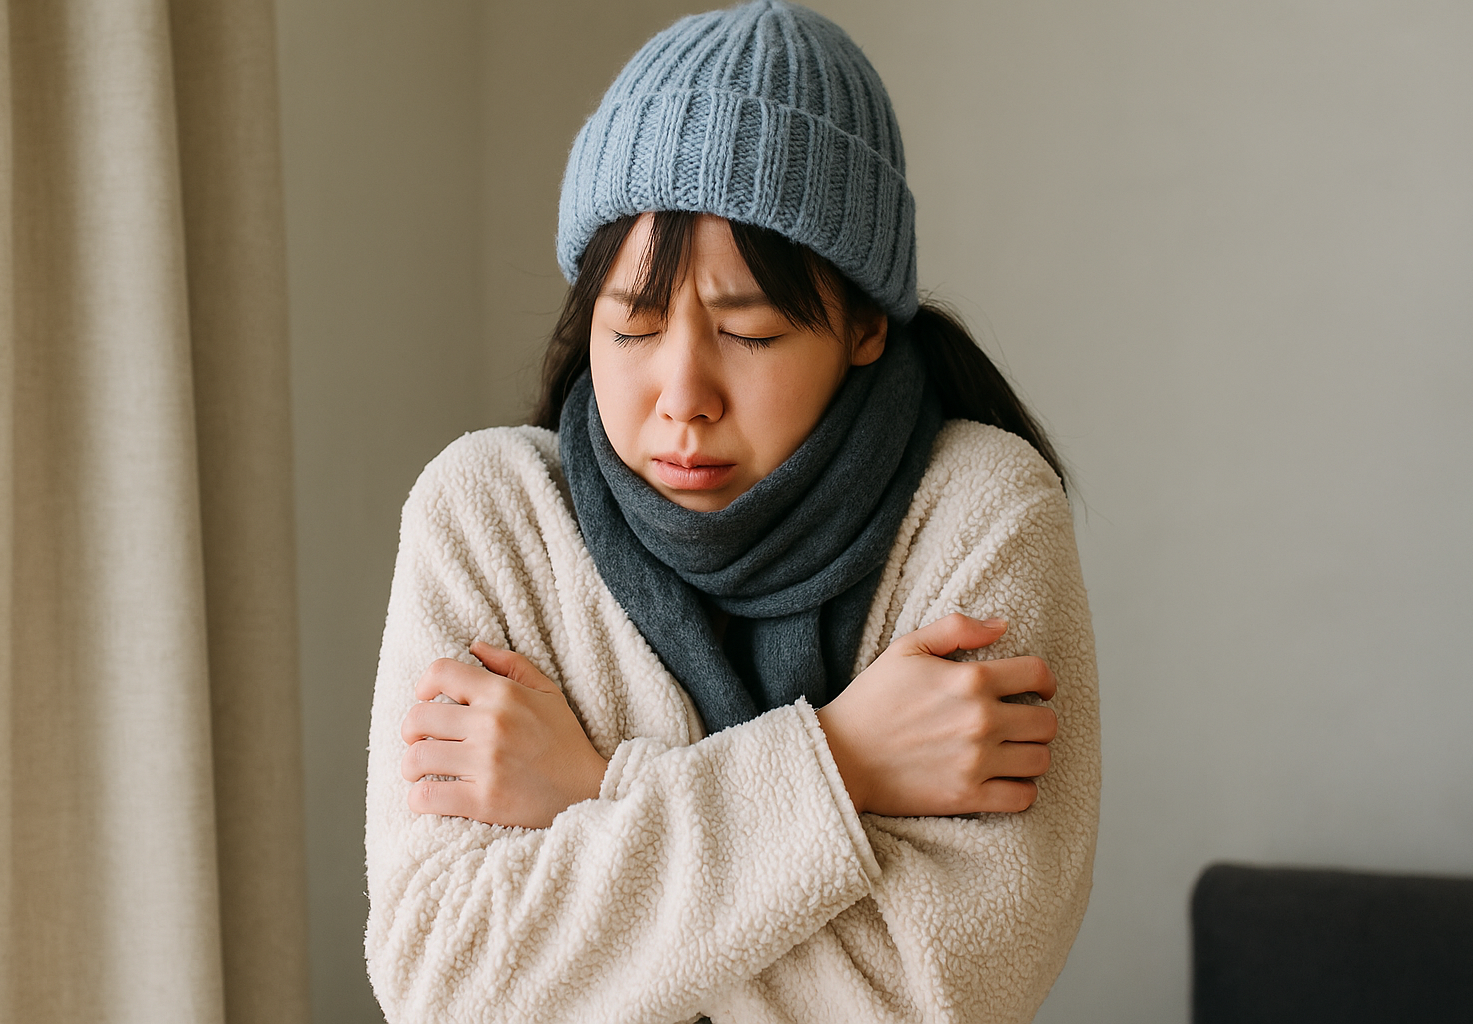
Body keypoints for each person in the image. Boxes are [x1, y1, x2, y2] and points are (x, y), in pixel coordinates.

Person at [364, 2, 1100, 1022]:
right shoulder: (490, 518)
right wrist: (844, 760)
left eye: (747, 332)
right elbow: (448, 983)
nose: (681, 395)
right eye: (634, 326)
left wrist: (587, 788)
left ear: (861, 326)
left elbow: (943, 993)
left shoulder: (979, 513)